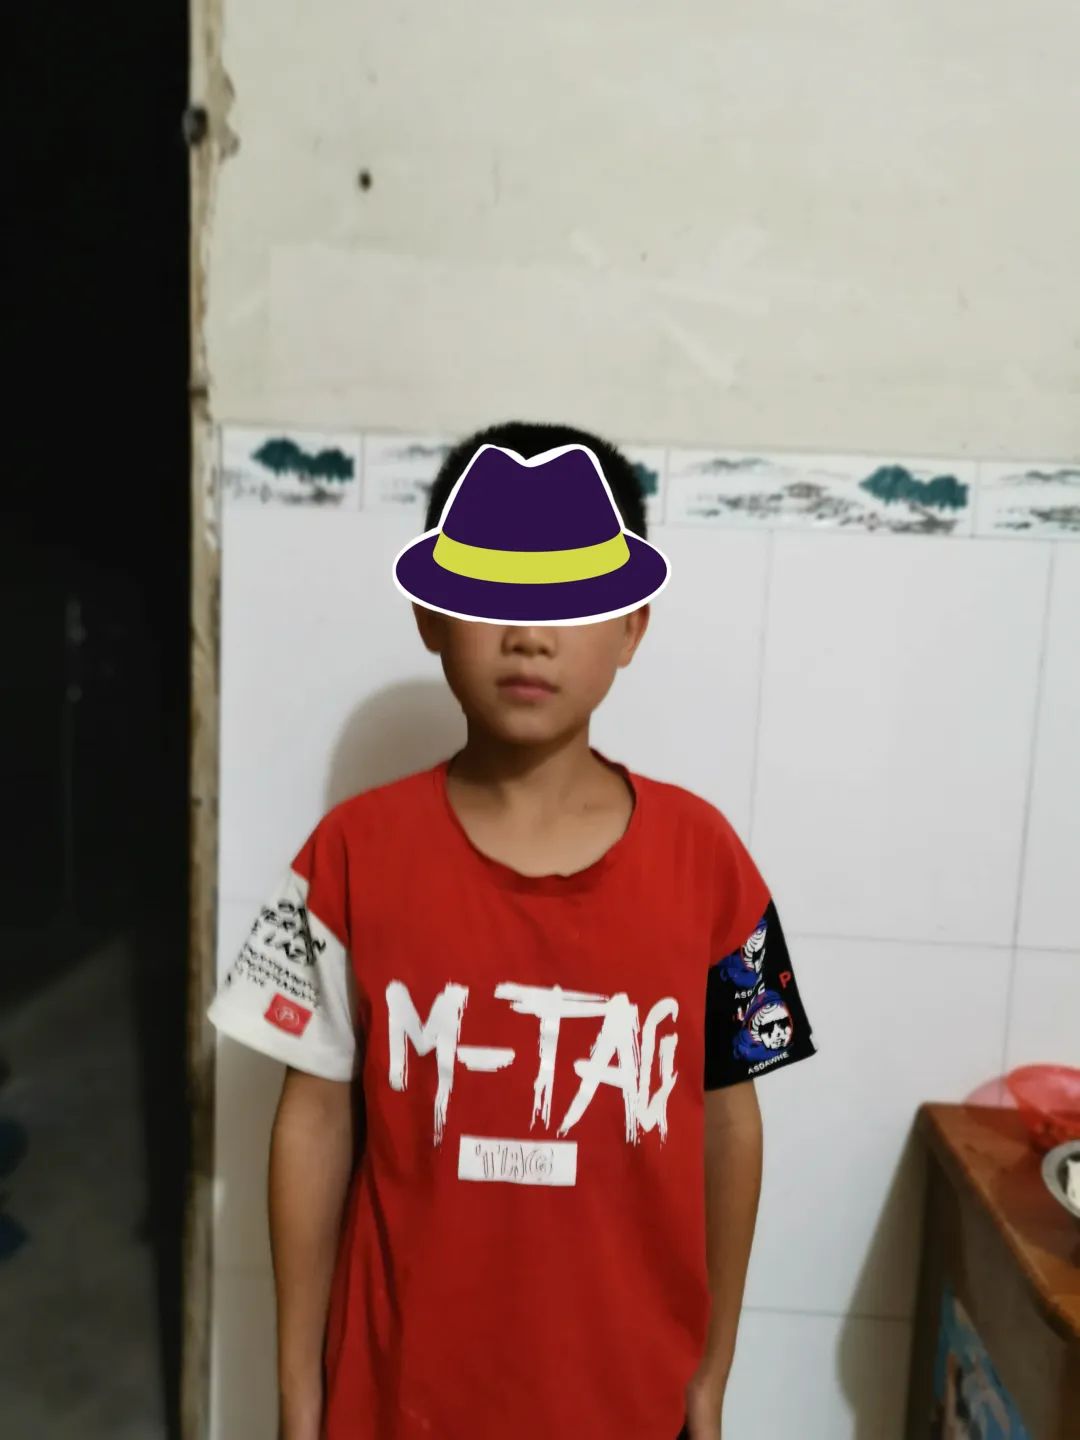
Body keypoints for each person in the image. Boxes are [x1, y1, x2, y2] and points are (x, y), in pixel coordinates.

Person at [207, 420, 819, 1440]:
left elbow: (730, 1124)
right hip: (396, 1401)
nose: (530, 634)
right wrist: (298, 1392)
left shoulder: (713, 864)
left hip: (628, 1405)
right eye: (494, 592)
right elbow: (309, 1124)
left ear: (632, 627)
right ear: (430, 614)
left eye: (570, 598)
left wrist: (710, 1377)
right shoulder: (343, 859)